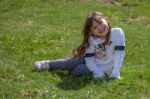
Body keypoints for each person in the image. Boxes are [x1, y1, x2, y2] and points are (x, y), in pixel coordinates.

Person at [34, 11, 125, 80]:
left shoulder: (117, 33)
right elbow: (89, 58)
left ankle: (70, 69)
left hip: (102, 67)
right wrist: (97, 73)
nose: (100, 27)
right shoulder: (92, 39)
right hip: (90, 60)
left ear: (105, 19)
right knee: (68, 63)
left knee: (78, 70)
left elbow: (119, 54)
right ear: (91, 32)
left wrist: (115, 74)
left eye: (100, 22)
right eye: (95, 27)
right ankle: (46, 64)